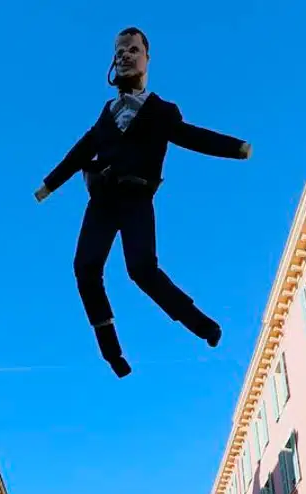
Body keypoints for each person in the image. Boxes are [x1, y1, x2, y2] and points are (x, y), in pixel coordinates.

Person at [35, 26, 251, 378]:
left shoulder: (162, 111)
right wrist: (48, 185)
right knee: (85, 267)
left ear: (147, 58)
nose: (124, 56)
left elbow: (191, 136)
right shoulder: (105, 114)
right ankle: (112, 352)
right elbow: (79, 152)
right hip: (103, 199)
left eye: (132, 50)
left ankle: (203, 325)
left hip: (136, 197)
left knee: (141, 269)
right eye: (118, 52)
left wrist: (235, 148)